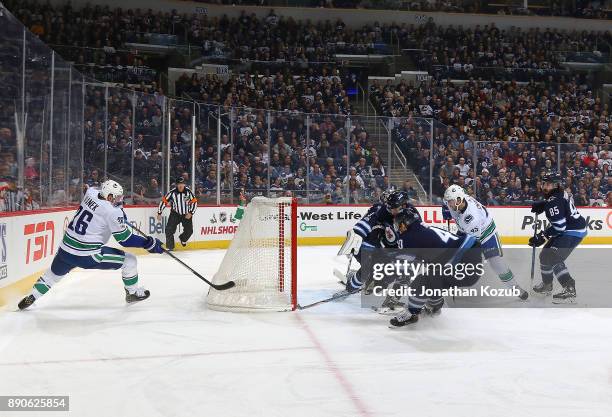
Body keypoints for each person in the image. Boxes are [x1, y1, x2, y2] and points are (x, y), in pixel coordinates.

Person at [18, 180, 164, 310]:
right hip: (88, 256)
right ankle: (132, 293)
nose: (120, 200)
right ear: (109, 197)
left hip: (65, 250)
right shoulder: (112, 212)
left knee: (52, 276)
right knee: (130, 260)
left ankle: (33, 296)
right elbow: (125, 239)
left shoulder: (91, 193)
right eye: (117, 197)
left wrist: (119, 212)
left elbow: (93, 191)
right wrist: (149, 243)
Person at [388, 208, 482, 328]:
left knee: (422, 282)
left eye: (398, 225)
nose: (397, 228)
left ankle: (413, 313)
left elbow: (403, 265)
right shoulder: (422, 229)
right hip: (471, 256)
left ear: (405, 223)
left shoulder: (409, 237)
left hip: (463, 260)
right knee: (433, 279)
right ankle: (433, 309)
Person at [442, 185, 528, 300]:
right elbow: (447, 205)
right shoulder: (456, 201)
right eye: (448, 202)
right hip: (465, 231)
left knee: (496, 264)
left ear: (459, 200)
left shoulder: (472, 216)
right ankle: (441, 286)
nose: (449, 204)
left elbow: (470, 241)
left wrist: (455, 260)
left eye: (450, 202)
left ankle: (515, 287)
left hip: (487, 234)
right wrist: (446, 209)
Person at [529, 172, 587, 303]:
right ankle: (547, 285)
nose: (544, 186)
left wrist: (542, 235)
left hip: (573, 230)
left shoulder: (553, 201)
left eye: (548, 184)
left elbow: (560, 227)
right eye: (544, 183)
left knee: (553, 257)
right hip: (569, 228)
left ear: (555, 185)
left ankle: (569, 288)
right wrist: (544, 204)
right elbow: (559, 203)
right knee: (544, 255)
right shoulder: (559, 194)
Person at [157, 177, 197, 250]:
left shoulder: (189, 192)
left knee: (189, 231)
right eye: (179, 184)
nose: (180, 185)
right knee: (169, 230)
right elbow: (164, 201)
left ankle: (183, 238)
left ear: (184, 184)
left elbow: (194, 202)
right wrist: (159, 212)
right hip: (175, 214)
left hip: (186, 214)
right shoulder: (172, 193)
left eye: (182, 184)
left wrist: (191, 213)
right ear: (176, 185)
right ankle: (170, 247)